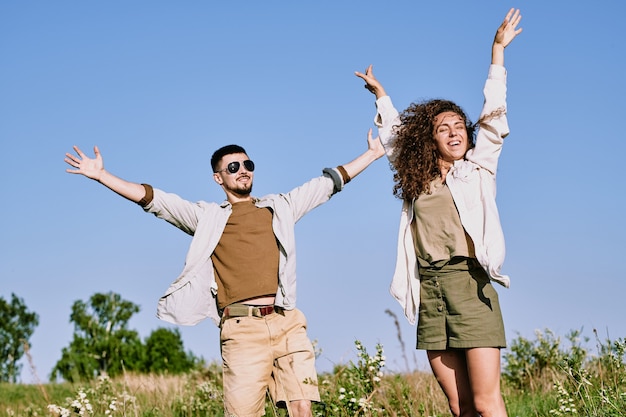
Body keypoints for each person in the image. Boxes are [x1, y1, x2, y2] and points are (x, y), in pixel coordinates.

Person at [64, 134, 384, 416]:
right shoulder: (206, 217)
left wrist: (371, 153)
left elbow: (328, 184)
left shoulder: (280, 207)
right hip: (241, 328)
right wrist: (103, 175)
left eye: (247, 164)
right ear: (218, 178)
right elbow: (155, 200)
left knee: (302, 407)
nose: (242, 170)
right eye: (233, 167)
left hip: (287, 320)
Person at [354, 8, 522, 417]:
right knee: (458, 404)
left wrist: (497, 53)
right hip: (430, 289)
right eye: (443, 128)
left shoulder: (479, 169)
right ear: (429, 139)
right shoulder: (417, 179)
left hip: (471, 284)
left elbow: (494, 117)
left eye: (460, 126)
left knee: (485, 401)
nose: (455, 132)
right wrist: (381, 95)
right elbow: (395, 138)